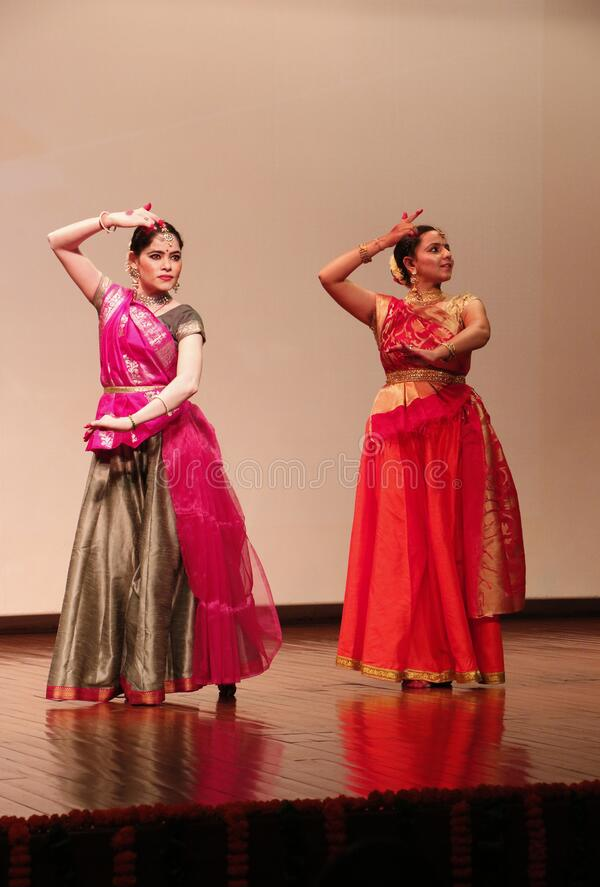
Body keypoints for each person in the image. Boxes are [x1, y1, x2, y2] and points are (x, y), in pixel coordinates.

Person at [46, 203, 281, 705]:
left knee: (167, 562)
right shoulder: (110, 301)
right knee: (110, 559)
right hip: (118, 445)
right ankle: (108, 672)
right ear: (134, 262)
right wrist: (116, 219)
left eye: (176, 256)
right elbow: (59, 241)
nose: (168, 264)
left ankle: (173, 672)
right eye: (156, 254)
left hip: (170, 442)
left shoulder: (184, 316)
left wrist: (132, 419)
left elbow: (187, 383)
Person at [318, 211, 525, 687]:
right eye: (435, 248)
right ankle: (421, 657)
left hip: (454, 423)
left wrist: (442, 352)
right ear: (409, 263)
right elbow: (329, 276)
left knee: (450, 536)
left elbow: (481, 331)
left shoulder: (464, 303)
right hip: (398, 428)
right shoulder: (383, 309)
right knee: (405, 539)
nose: (447, 254)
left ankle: (454, 654)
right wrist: (382, 240)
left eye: (447, 247)